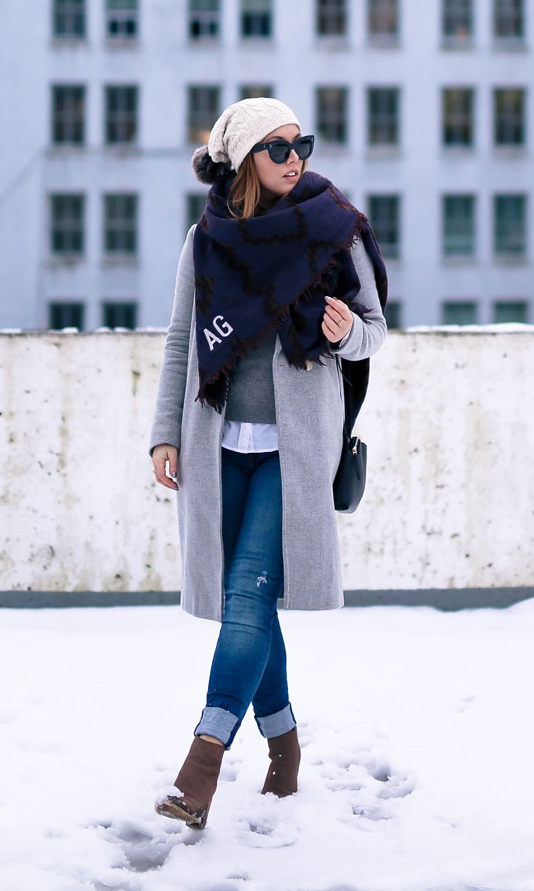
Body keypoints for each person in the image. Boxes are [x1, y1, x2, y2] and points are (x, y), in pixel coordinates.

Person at [148, 96, 389, 829]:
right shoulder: (207, 241)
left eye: (301, 144)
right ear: (245, 158)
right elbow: (182, 343)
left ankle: (202, 763)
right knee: (247, 606)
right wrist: (165, 431)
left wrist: (347, 332)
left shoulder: (332, 233)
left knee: (249, 597)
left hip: (296, 452)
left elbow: (375, 334)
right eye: (278, 148)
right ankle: (284, 747)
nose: (295, 159)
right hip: (218, 449)